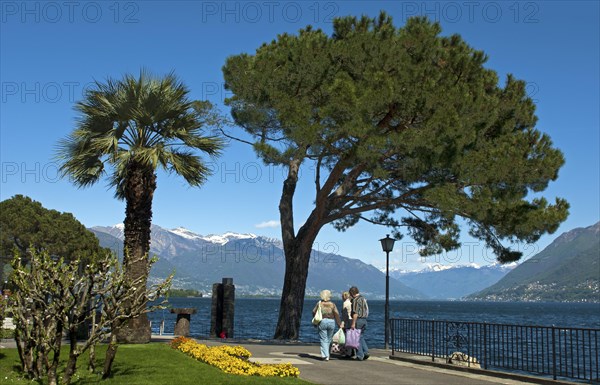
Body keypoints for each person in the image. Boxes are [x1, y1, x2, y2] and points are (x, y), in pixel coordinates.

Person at [312, 289, 342, 361]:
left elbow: (313, 312)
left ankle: (325, 355)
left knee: (323, 339)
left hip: (322, 321)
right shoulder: (332, 304)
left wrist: (315, 322)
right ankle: (328, 354)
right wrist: (339, 324)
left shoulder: (319, 303)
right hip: (331, 321)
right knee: (329, 339)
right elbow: (336, 314)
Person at [349, 286, 370, 361]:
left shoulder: (355, 300)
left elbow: (355, 313)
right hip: (364, 319)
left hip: (358, 320)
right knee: (361, 336)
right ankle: (366, 352)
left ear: (352, 293)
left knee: (356, 338)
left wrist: (353, 323)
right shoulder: (363, 298)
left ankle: (360, 355)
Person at [340, 291, 355, 358]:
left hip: (347, 320)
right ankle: (352, 352)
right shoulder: (351, 302)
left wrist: (342, 323)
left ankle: (348, 353)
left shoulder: (345, 303)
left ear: (344, 296)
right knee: (351, 337)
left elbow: (344, 314)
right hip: (352, 320)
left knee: (347, 337)